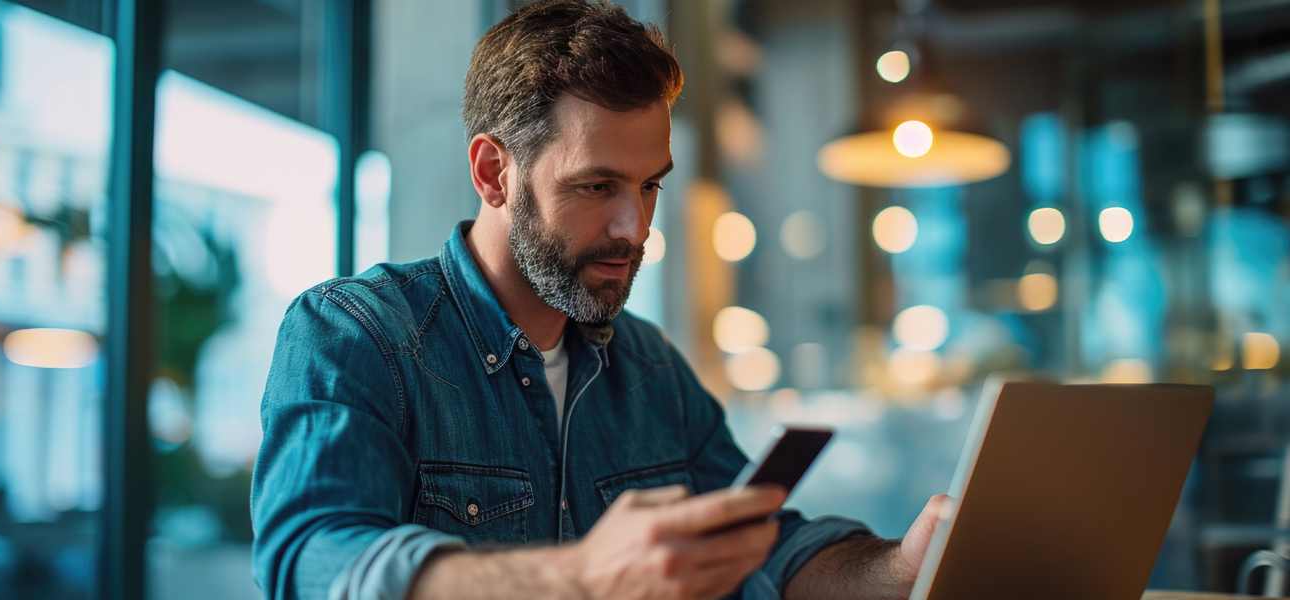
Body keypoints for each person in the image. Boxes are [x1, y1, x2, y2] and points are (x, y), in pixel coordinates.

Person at [250, 1, 946, 598]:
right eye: (596, 186)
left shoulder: (647, 366)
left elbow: (761, 547)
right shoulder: (354, 335)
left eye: (650, 186)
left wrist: (900, 568)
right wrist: (579, 577)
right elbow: (312, 562)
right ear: (494, 173)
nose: (635, 229)